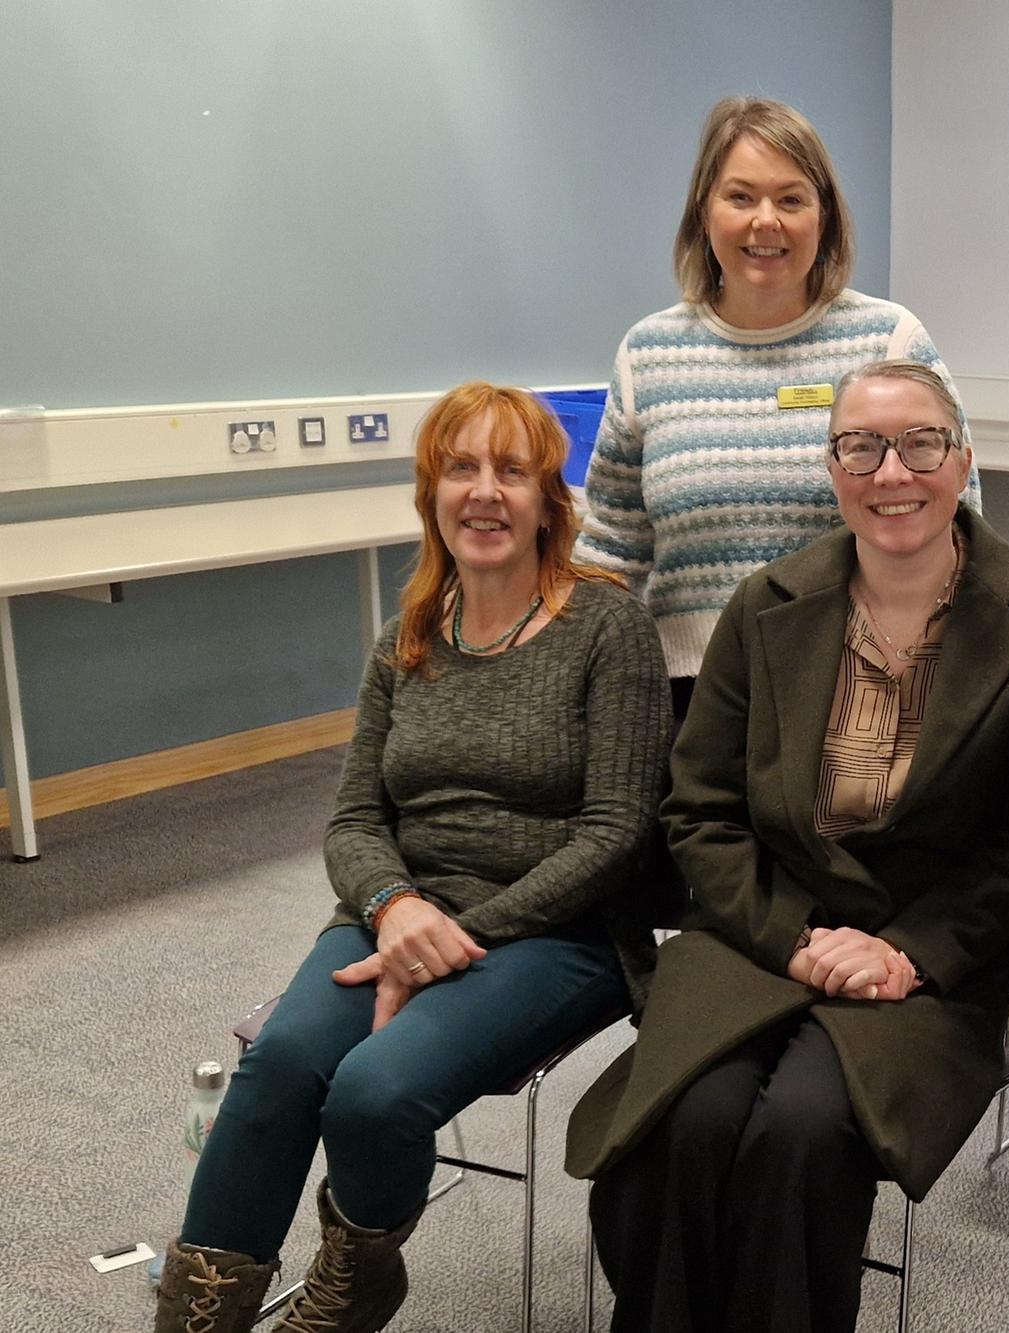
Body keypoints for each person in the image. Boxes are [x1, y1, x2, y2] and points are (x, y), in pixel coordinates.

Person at [566, 360, 1009, 1333]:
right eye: (861, 446)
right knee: (684, 1123)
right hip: (758, 928)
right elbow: (700, 808)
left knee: (802, 1135)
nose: (891, 470)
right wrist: (795, 937)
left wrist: (908, 951)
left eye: (918, 443)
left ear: (961, 458)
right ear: (833, 466)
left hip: (925, 957)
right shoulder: (764, 604)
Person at [153, 383, 670, 1333]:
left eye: (512, 470)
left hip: (558, 930)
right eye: (460, 468)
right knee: (280, 1065)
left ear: (550, 498)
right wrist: (395, 908)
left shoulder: (608, 627)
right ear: (431, 492)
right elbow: (354, 817)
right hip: (398, 914)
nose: (485, 492)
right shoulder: (409, 637)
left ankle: (357, 1273)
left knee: (372, 1094)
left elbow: (618, 833)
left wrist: (452, 933)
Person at [577, 95, 978, 720]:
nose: (767, 221)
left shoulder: (888, 340)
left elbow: (959, 516)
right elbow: (610, 553)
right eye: (741, 197)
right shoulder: (648, 355)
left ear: (825, 217)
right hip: (690, 698)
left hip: (865, 689)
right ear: (704, 212)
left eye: (791, 199)